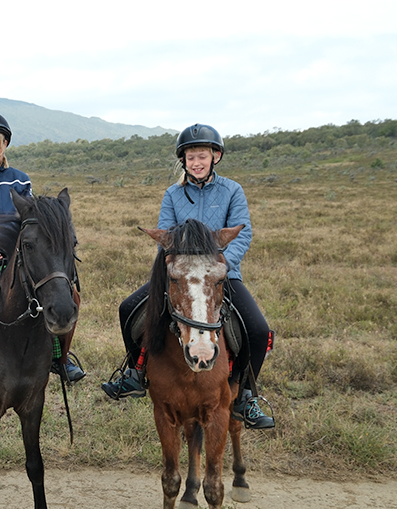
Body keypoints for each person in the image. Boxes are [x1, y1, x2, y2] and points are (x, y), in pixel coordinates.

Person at [101, 123, 276, 430]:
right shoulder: (173, 194)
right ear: (183, 160)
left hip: (221, 276)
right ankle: (134, 372)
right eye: (191, 157)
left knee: (259, 330)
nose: (196, 162)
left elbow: (242, 235)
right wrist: (179, 268)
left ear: (215, 157)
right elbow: (165, 236)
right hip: (180, 276)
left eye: (202, 156)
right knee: (128, 309)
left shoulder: (232, 191)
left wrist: (216, 270)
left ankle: (246, 394)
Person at [0, 111, 85, 383]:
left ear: (5, 145)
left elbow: (31, 222)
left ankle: (62, 357)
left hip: (17, 254)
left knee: (71, 295)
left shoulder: (20, 180)